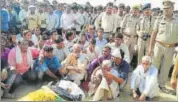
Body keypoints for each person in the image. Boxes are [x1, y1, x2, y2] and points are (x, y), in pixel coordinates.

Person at [148, 0, 178, 94]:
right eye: (164, 8)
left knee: (166, 68)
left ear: (172, 9)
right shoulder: (159, 19)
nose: (165, 10)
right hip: (158, 46)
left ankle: (161, 85)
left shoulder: (177, 20)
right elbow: (153, 33)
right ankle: (151, 84)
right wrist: (150, 48)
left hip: (171, 47)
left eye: (167, 8)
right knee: (154, 66)